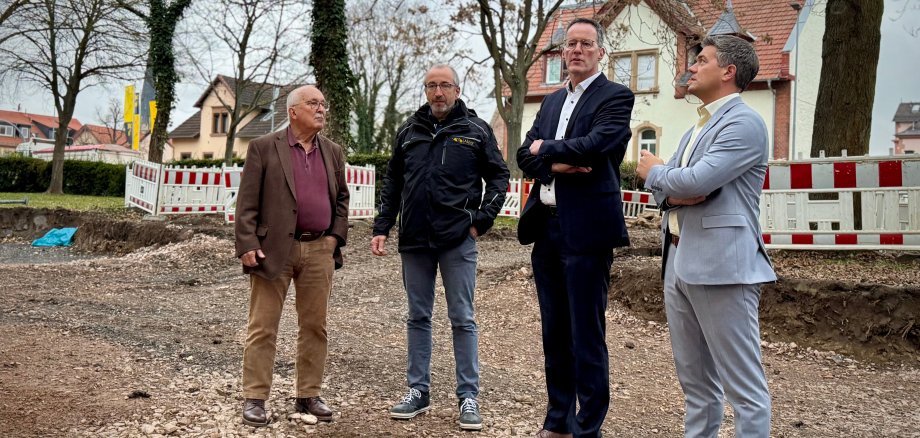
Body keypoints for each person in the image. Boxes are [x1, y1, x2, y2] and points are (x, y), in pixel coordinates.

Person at [636, 35, 775, 438]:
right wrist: (672, 184)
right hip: (678, 259)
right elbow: (679, 190)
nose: (692, 67)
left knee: (744, 390)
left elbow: (696, 181)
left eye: (703, 60)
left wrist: (656, 173)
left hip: (724, 266)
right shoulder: (699, 125)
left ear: (728, 72)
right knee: (696, 385)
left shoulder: (745, 123)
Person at [371, 64, 509, 431]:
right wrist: (382, 226)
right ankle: (418, 391)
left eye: (444, 85)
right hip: (414, 238)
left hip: (457, 238)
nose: (437, 92)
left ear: (457, 90)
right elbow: (392, 181)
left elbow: (499, 175)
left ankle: (468, 395)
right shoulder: (408, 131)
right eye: (431, 85)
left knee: (462, 318)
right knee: (418, 316)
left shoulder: (475, 130)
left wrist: (482, 219)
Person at [516, 18, 635, 438]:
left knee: (586, 335)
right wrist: (555, 161)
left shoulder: (615, 97)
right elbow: (521, 155)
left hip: (586, 231)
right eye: (571, 45)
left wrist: (543, 150)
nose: (577, 51)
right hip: (546, 229)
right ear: (562, 53)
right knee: (554, 333)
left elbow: (597, 144)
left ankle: (588, 429)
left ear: (601, 52)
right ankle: (559, 422)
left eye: (586, 44)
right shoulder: (550, 102)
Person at [234, 85, 349, 427]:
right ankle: (255, 398)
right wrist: (246, 243)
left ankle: (308, 395)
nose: (321, 109)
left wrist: (333, 238)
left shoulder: (332, 152)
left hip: (319, 250)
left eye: (324, 104)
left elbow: (342, 199)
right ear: (293, 111)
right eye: (313, 103)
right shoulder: (263, 148)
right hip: (273, 250)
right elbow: (247, 202)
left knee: (315, 326)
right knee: (263, 326)